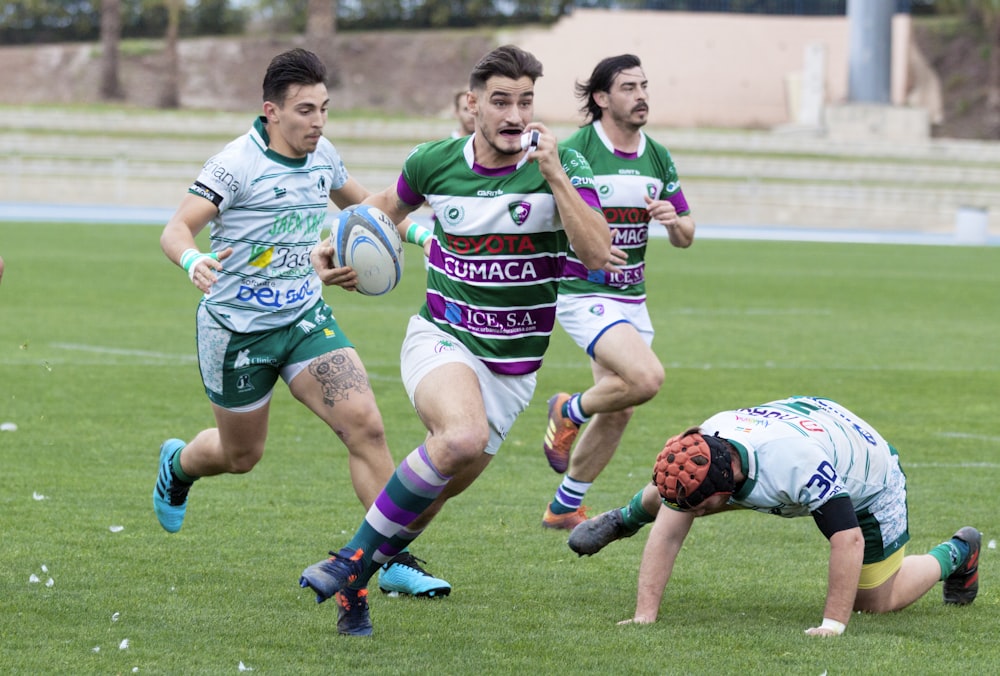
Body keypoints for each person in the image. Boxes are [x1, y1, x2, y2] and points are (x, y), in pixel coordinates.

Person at [298, 44, 624, 636]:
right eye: (500, 101)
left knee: (431, 497)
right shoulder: (434, 162)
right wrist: (332, 241)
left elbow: (598, 254)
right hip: (443, 337)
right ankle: (352, 560)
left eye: (525, 102)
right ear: (472, 105)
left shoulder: (563, 168)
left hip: (513, 370)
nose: (515, 115)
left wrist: (554, 175)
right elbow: (382, 209)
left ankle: (355, 581)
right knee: (461, 436)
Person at [154, 47, 448, 600]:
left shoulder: (324, 157)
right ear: (272, 111)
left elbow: (366, 207)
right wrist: (194, 260)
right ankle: (180, 465)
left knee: (366, 425)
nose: (318, 123)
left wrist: (420, 235)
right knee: (241, 456)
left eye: (324, 109)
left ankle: (392, 560)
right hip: (238, 332)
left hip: (305, 319)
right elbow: (176, 229)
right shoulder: (235, 165)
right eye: (305, 111)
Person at [567, 395, 982, 636]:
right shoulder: (710, 445)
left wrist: (832, 625)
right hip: (803, 428)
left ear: (727, 489)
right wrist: (645, 615)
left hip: (869, 475)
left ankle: (959, 552)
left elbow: (847, 539)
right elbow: (673, 525)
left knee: (874, 600)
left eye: (705, 504)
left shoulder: (797, 466)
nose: (689, 511)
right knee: (679, 491)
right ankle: (624, 518)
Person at [541, 54, 695, 530]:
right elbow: (557, 216)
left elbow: (687, 234)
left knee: (621, 404)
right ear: (602, 98)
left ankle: (565, 505)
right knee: (646, 379)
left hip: (633, 296)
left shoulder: (657, 155)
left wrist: (673, 221)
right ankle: (567, 410)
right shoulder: (576, 151)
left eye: (644, 85)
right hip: (584, 291)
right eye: (629, 87)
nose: (642, 95)